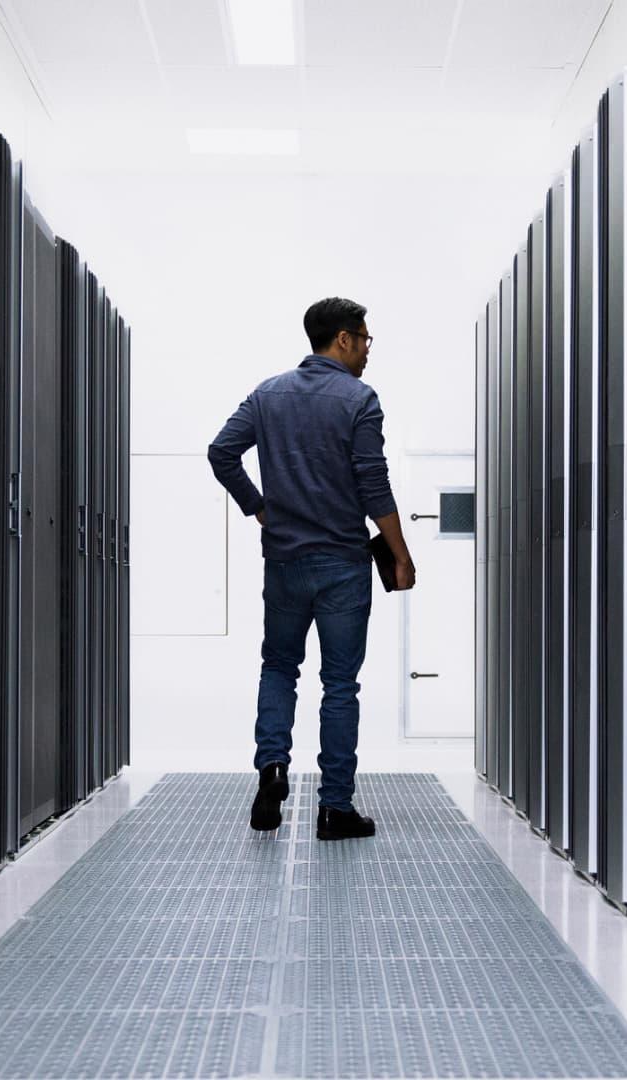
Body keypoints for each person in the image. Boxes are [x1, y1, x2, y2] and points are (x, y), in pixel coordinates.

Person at [207, 297, 417, 840]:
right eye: (365, 338)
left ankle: (272, 770)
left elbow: (221, 452)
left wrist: (258, 507)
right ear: (342, 339)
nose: (369, 349)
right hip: (343, 564)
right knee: (340, 684)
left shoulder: (267, 394)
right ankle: (334, 808)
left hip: (283, 562)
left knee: (279, 667)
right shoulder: (359, 400)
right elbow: (374, 486)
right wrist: (399, 553)